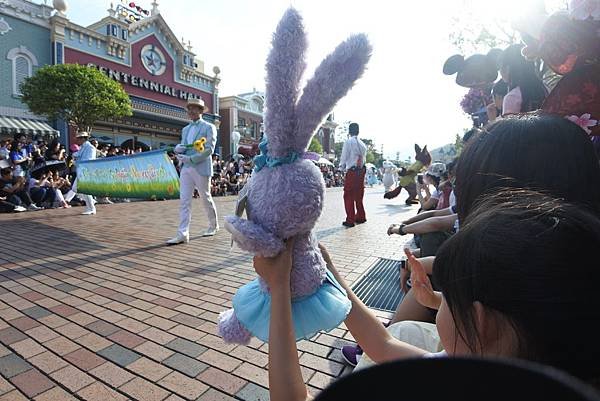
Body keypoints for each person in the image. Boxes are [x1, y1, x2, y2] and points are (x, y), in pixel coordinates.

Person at [255, 191, 600, 401]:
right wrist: (327, 273)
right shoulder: (480, 375)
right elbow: (385, 346)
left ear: (480, 322)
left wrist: (281, 290)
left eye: (447, 294)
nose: (438, 300)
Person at [167, 98, 219, 245]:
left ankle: (213, 225)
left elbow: (209, 149)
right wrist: (179, 148)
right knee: (184, 201)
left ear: (201, 111)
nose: (191, 111)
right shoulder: (185, 129)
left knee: (205, 197)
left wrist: (191, 159)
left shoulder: (209, 127)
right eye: (189, 109)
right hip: (186, 168)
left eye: (194, 108)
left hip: (200, 167)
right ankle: (183, 233)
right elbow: (185, 146)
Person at [499, 44, 547, 115]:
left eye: (501, 65)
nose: (500, 70)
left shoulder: (512, 97)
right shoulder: (545, 90)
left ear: (508, 68)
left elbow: (508, 126)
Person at [339, 122, 367, 228]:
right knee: (359, 195)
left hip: (352, 171)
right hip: (361, 171)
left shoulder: (348, 142)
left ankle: (350, 219)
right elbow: (364, 159)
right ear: (358, 131)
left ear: (349, 131)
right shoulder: (363, 144)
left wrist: (341, 167)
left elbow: (344, 156)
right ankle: (361, 216)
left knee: (349, 195)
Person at [64, 132, 97, 215]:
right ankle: (91, 203)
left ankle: (91, 208)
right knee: (76, 189)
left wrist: (75, 162)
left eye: (78, 139)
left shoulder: (90, 148)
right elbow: (78, 156)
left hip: (86, 172)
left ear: (82, 139)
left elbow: (88, 161)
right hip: (81, 171)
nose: (77, 141)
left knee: (83, 190)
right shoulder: (82, 147)